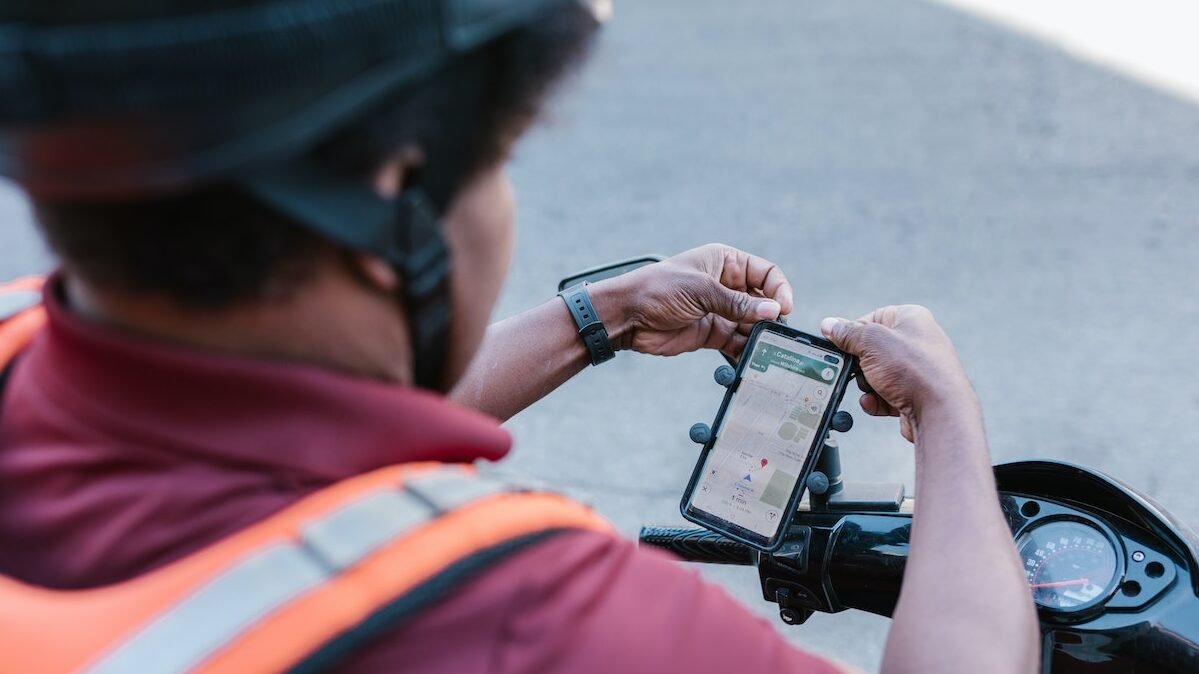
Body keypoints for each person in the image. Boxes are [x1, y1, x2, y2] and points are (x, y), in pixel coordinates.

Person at [0, 1, 1037, 672]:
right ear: (393, 207)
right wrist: (945, 416)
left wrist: (605, 314)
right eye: (497, 165)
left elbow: (272, 439)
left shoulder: (18, 335)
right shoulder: (535, 621)